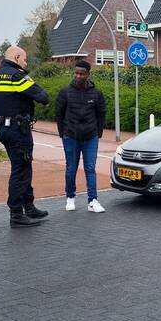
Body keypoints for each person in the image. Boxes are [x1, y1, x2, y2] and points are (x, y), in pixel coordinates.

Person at [0, 45, 50, 228]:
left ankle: (29, 207)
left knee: (23, 167)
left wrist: (6, 106)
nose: (25, 63)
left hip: (2, 129)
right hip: (18, 129)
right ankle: (17, 214)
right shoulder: (17, 77)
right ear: (17, 57)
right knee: (20, 170)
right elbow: (43, 97)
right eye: (24, 60)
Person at [55, 60, 106, 213]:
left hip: (90, 137)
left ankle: (93, 201)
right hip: (71, 136)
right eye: (76, 73)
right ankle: (70, 197)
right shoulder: (65, 92)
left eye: (81, 74)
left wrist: (98, 133)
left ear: (88, 74)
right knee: (71, 168)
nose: (78, 76)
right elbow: (59, 114)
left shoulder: (96, 93)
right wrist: (62, 133)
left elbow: (101, 114)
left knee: (90, 168)